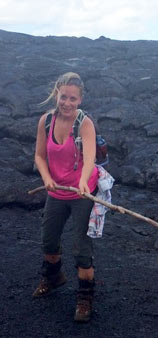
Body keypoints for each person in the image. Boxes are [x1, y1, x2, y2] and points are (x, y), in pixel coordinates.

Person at [33, 72, 99, 323]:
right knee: (48, 240)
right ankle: (53, 277)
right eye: (63, 97)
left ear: (80, 100)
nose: (67, 103)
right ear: (56, 94)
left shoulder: (85, 124)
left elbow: (90, 158)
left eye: (73, 98)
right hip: (56, 191)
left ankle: (85, 298)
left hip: (81, 192)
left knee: (81, 248)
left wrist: (83, 182)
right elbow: (39, 155)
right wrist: (46, 177)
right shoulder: (46, 121)